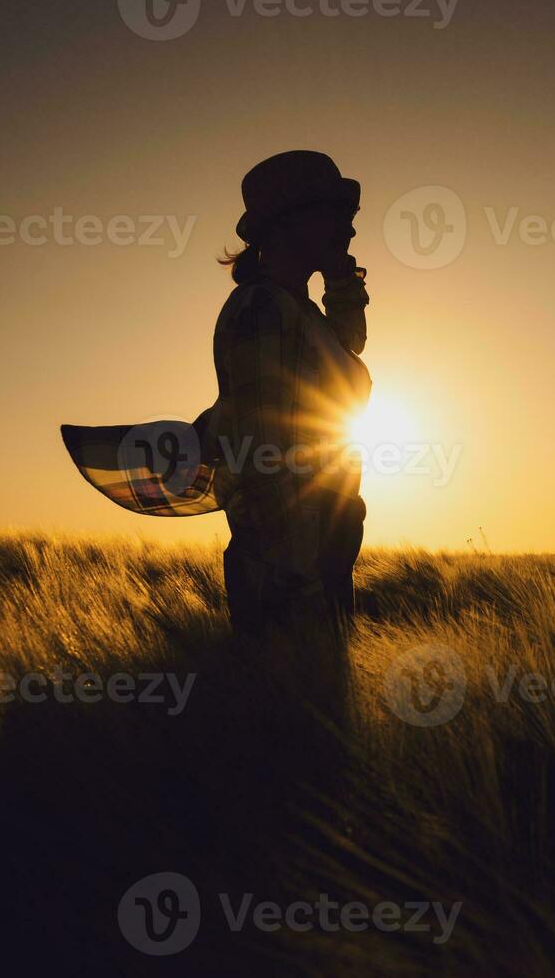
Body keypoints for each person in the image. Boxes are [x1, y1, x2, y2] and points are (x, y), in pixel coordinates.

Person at [211, 150, 373, 737]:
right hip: (290, 565)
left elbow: (349, 346)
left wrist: (340, 279)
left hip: (319, 552)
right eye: (333, 212)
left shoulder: (296, 310)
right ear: (287, 223)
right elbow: (263, 453)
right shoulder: (262, 312)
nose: (350, 225)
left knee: (320, 728)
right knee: (290, 736)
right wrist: (297, 583)